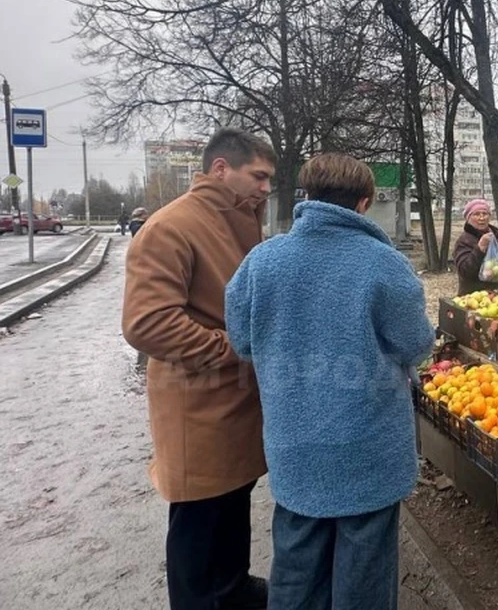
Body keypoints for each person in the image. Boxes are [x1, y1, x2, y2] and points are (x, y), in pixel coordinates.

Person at [224, 153, 435, 610]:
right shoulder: (384, 263)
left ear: (307, 195)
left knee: (296, 570)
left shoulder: (262, 262)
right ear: (363, 203)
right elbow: (416, 344)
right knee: (364, 575)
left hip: (294, 445)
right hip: (368, 451)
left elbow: (241, 340)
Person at [122, 128, 276, 610]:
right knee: (198, 522)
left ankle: (231, 588)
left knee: (230, 508)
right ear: (220, 169)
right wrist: (235, 348)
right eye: (259, 176)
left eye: (270, 179)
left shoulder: (237, 219)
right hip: (198, 407)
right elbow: (147, 323)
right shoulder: (171, 226)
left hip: (231, 403)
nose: (266, 188)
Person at [453, 198, 498, 295]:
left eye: (485, 214)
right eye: (476, 214)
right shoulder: (464, 241)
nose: (482, 218)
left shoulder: (494, 236)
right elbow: (465, 271)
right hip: (477, 298)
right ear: (468, 218)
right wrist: (480, 248)